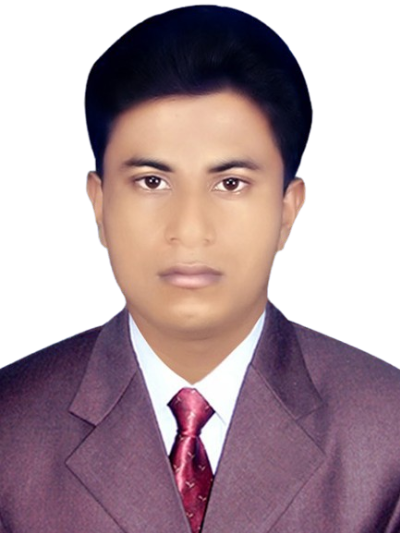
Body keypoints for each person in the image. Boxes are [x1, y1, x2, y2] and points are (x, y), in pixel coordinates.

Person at [1, 5, 399, 533]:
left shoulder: (388, 428)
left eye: (230, 183)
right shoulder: (9, 426)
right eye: (152, 182)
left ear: (288, 210)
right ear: (99, 206)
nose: (189, 230)